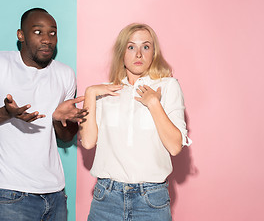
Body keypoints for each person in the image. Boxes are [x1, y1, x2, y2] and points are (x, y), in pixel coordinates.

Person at [0, 8, 87, 221]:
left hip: (56, 194)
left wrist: (59, 119)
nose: (47, 39)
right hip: (11, 195)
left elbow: (66, 137)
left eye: (52, 33)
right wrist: (6, 113)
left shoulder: (65, 74)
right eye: (37, 32)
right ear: (21, 35)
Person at [79, 23, 192, 221]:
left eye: (145, 47)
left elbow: (175, 147)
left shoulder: (168, 86)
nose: (138, 54)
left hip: (151, 200)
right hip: (106, 197)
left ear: (154, 52)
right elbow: (88, 142)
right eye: (131, 47)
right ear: (122, 53)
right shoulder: (104, 91)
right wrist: (90, 93)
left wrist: (153, 104)